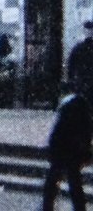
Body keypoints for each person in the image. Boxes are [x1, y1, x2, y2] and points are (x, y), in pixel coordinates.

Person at [42, 82, 92, 211]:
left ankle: (48, 205)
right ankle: (79, 207)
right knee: (73, 180)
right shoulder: (81, 106)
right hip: (71, 148)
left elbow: (57, 132)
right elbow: (86, 132)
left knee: (54, 179)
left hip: (62, 147)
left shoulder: (68, 105)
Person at [68, 20, 93, 104]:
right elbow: (71, 66)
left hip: (83, 81)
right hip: (83, 81)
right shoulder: (78, 48)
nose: (89, 33)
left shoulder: (78, 48)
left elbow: (71, 66)